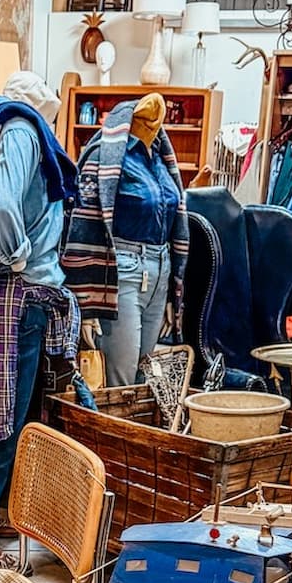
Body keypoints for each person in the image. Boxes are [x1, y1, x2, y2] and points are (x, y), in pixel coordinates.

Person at [0, 70, 81, 571]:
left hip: (10, 293)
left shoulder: (1, 128)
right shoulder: (24, 130)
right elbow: (2, 205)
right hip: (17, 291)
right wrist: (19, 254)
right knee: (0, 421)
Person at [62, 93, 189, 387]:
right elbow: (83, 224)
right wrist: (87, 304)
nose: (153, 123)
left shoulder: (159, 158)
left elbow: (175, 219)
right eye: (146, 119)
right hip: (122, 271)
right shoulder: (105, 155)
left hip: (160, 270)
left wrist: (172, 290)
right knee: (122, 379)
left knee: (146, 377)